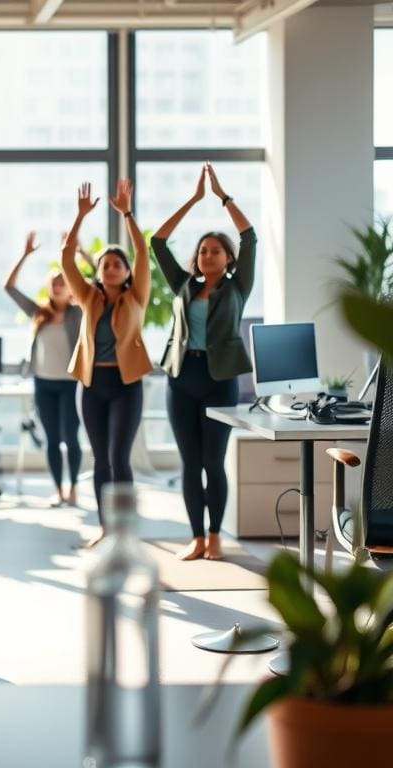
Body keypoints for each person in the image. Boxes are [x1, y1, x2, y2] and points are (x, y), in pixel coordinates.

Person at [151, 163, 257, 561]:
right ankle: (196, 537)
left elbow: (250, 236)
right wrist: (193, 201)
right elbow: (158, 243)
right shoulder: (183, 285)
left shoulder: (238, 286)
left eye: (215, 249)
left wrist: (222, 197)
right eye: (202, 249)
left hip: (219, 379)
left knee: (214, 461)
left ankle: (215, 535)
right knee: (190, 462)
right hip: (182, 377)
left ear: (228, 258)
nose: (206, 253)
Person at [60, 180, 152, 548]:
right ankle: (105, 529)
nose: (111, 268)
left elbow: (143, 253)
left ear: (127, 272)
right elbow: (67, 259)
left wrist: (127, 214)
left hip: (126, 386)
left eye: (118, 264)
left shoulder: (137, 297)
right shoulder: (88, 298)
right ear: (98, 272)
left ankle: (125, 531)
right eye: (105, 264)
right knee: (100, 460)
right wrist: (81, 216)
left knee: (119, 457)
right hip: (92, 385)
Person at [4, 232, 83, 507]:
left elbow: (95, 284)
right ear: (49, 287)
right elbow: (10, 287)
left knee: (71, 438)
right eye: (55, 282)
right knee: (51, 440)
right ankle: (58, 489)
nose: (59, 285)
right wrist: (25, 254)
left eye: (64, 281)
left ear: (72, 286)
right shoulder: (39, 313)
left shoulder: (79, 313)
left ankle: (73, 487)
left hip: (71, 384)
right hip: (44, 384)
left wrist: (78, 254)